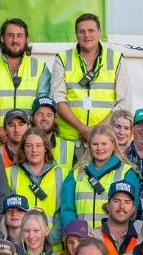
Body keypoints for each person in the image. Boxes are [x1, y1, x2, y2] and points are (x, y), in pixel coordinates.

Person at [52, 12, 126, 155]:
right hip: (69, 141)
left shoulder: (116, 59)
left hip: (104, 141)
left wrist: (96, 132)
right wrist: (83, 129)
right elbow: (58, 99)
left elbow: (122, 103)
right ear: (76, 34)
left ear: (99, 33)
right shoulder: (62, 58)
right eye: (82, 31)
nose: (87, 35)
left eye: (91, 30)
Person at [0, 17, 50, 146]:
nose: (15, 40)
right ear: (2, 38)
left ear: (26, 39)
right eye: (10, 36)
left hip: (29, 146)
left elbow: (43, 109)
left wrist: (28, 139)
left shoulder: (40, 68)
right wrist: (1, 135)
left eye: (19, 36)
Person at [57, 124, 136, 232]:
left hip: (112, 240)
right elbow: (67, 211)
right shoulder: (75, 174)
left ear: (113, 145)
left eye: (104, 144)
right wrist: (76, 234)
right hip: (82, 239)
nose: (99, 148)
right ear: (89, 146)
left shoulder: (126, 173)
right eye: (95, 144)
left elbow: (130, 211)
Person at [7, 127, 63, 224]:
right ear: (23, 148)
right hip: (19, 236)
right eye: (29, 146)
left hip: (51, 237)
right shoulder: (9, 173)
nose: (34, 150)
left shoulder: (61, 174)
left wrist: (51, 238)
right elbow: (6, 211)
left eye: (38, 145)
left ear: (45, 148)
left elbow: (63, 211)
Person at [99, 180, 138, 255]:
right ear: (108, 206)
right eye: (117, 201)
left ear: (133, 209)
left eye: (127, 202)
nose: (122, 206)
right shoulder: (93, 237)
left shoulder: (142, 238)